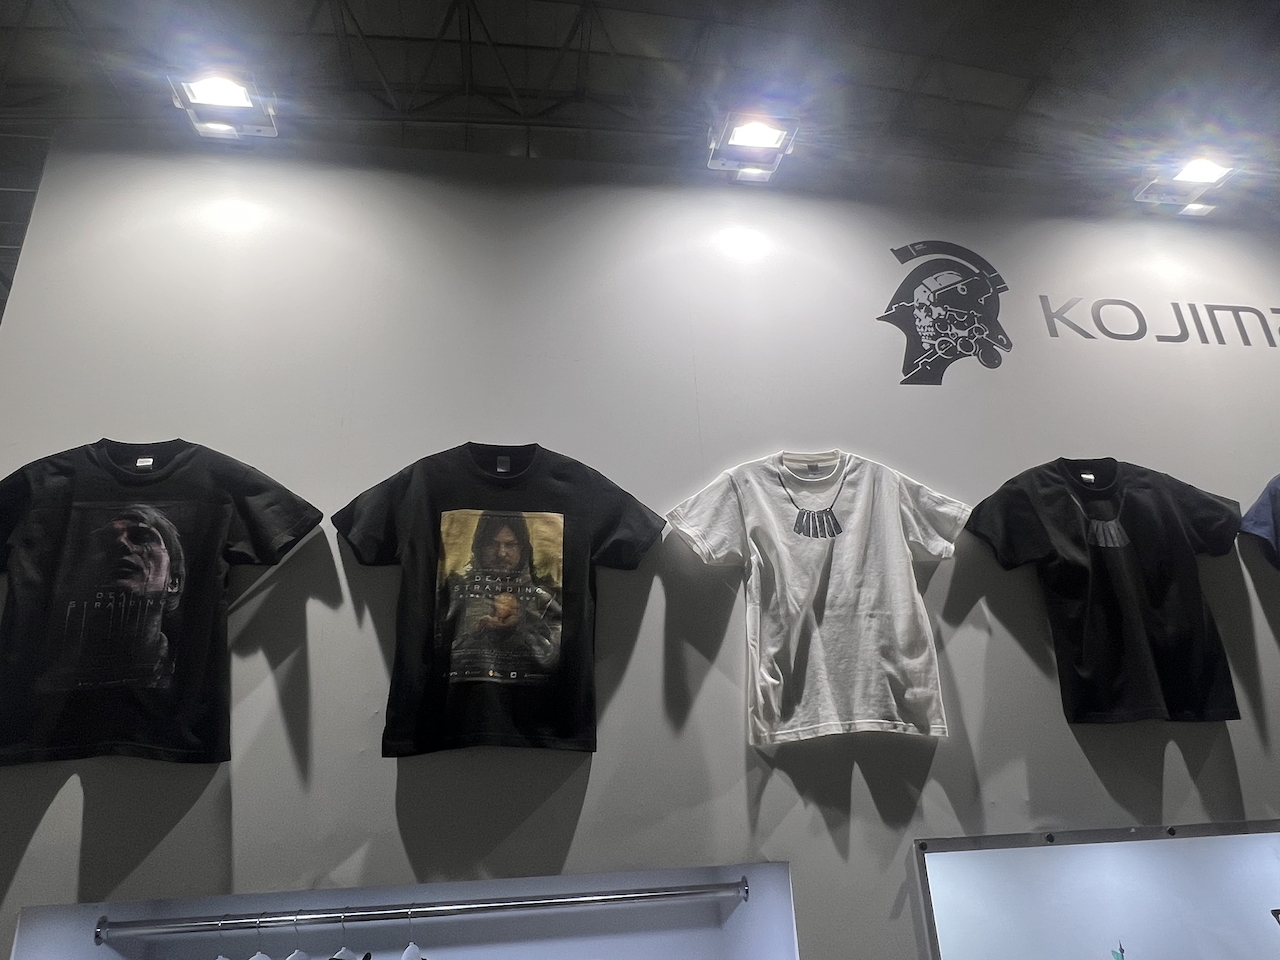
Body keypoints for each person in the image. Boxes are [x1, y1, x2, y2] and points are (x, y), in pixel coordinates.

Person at [49, 504, 185, 689]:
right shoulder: (52, 672)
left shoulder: (190, 666)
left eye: (142, 537)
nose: (120, 542)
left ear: (173, 581)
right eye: (105, 541)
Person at [444, 511, 562, 679]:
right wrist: (478, 634)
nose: (501, 553)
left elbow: (558, 656)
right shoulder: (457, 591)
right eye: (492, 544)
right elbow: (438, 652)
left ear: (522, 548)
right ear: (479, 547)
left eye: (510, 544)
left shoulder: (546, 595)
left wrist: (521, 627)